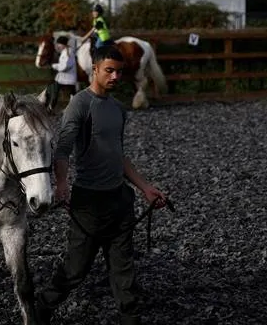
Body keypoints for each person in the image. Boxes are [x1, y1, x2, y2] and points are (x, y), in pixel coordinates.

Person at [36, 45, 168, 325]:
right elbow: (63, 150)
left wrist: (145, 188)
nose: (115, 77)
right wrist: (62, 184)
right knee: (75, 269)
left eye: (119, 72)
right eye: (109, 70)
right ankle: (41, 308)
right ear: (94, 70)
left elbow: (118, 156)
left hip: (120, 201)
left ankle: (130, 317)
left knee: (123, 268)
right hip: (89, 203)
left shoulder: (119, 109)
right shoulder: (80, 104)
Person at [44, 35, 77, 112]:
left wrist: (53, 66)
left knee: (54, 88)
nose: (58, 46)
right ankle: (73, 108)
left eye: (59, 44)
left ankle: (50, 107)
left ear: (63, 44)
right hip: (65, 78)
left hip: (67, 78)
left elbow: (65, 66)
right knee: (73, 94)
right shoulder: (65, 52)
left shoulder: (68, 53)